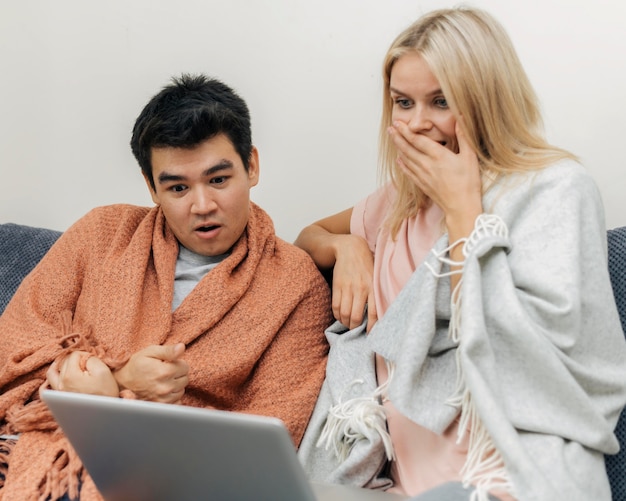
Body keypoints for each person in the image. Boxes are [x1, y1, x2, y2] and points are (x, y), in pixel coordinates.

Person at [295, 7, 626, 501]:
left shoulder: (555, 189)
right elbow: (309, 235)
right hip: (403, 489)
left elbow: (535, 364)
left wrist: (463, 210)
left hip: (512, 479)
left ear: (485, 100)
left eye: (441, 101)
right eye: (402, 103)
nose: (417, 123)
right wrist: (349, 248)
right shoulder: (397, 202)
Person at [0, 74, 332, 500]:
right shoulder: (101, 233)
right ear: (150, 186)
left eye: (218, 179)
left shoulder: (295, 284)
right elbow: (12, 344)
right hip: (37, 446)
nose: (203, 206)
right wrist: (117, 378)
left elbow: (279, 425)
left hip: (172, 479)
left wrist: (123, 402)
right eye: (177, 187)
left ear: (251, 165)